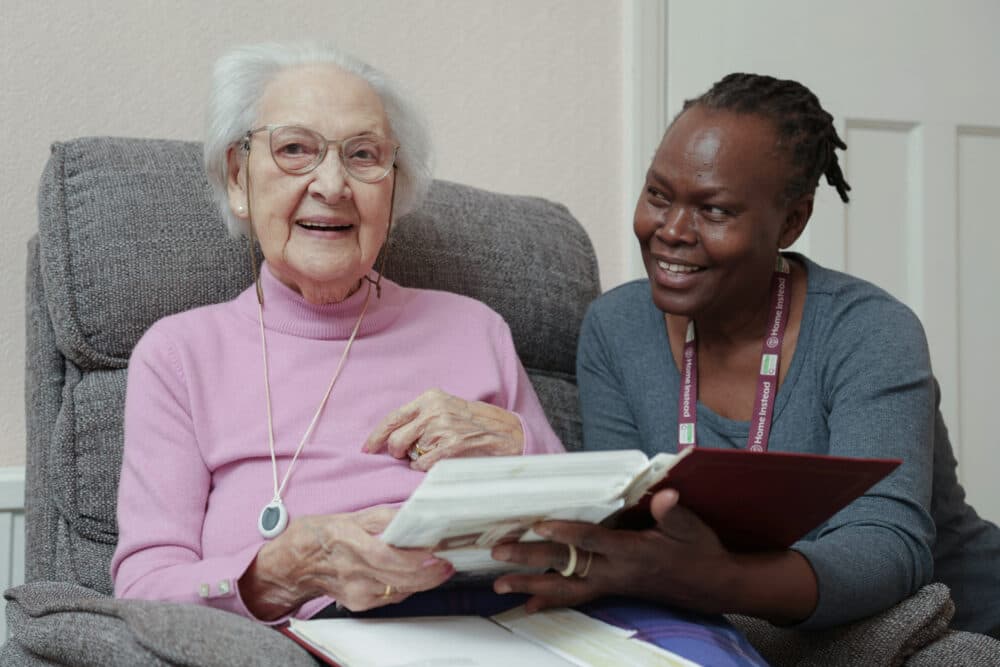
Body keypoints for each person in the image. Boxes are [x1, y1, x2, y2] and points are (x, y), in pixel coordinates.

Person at [491, 73, 1000, 639]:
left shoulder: (870, 331)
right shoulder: (617, 328)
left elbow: (887, 548)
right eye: (659, 195)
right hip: (739, 626)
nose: (671, 231)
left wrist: (716, 580)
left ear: (791, 222)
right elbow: (622, 518)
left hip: (962, 619)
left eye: (715, 210)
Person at [110, 42, 565, 624]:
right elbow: (145, 590)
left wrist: (520, 447)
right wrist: (286, 569)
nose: (332, 183)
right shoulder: (179, 355)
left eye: (363, 155)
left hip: (501, 625)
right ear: (237, 178)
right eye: (295, 149)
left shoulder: (477, 329)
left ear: (392, 188)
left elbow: (581, 543)